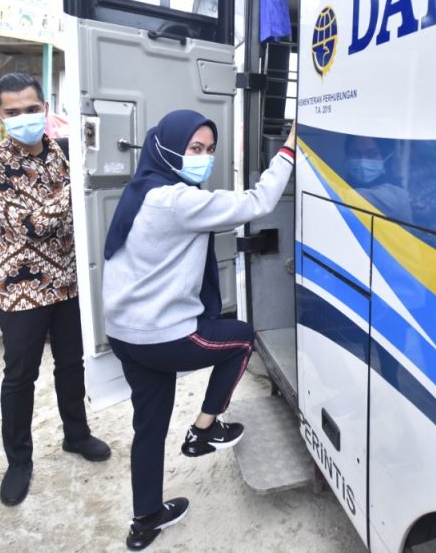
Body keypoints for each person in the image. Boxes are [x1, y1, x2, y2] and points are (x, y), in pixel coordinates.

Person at [102, 110, 296, 550]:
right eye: (194, 148)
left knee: (149, 426)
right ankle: (204, 431)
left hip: (126, 334)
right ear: (167, 148)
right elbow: (258, 203)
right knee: (241, 339)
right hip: (160, 334)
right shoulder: (177, 200)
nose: (204, 158)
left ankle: (145, 519)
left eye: (209, 149)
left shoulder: (141, 189)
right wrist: (287, 150)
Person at [0, 72, 110, 507]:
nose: (25, 118)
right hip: (21, 287)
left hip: (69, 280)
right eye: (13, 112)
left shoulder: (65, 154)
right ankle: (18, 460)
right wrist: (79, 184)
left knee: (71, 364)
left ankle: (76, 434)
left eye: (32, 109)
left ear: (45, 108)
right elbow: (31, 226)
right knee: (20, 376)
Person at [343, 134, 412, 220]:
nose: (362, 161)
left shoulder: (395, 195)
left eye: (372, 154)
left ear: (385, 157)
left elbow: (343, 197)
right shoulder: (349, 185)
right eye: (355, 154)